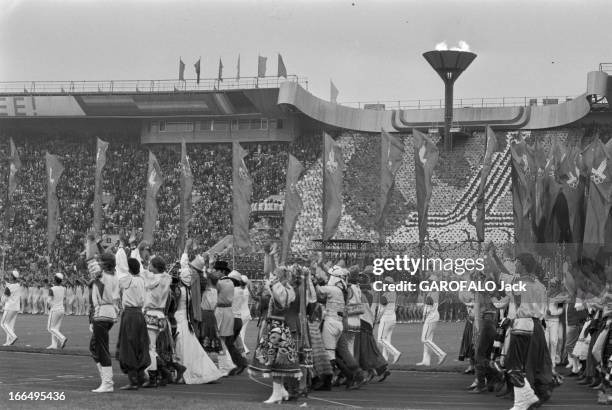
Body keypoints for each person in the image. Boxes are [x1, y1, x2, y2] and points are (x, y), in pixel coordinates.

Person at [505, 253, 553, 410]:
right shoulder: (540, 284)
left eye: (517, 262)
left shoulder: (518, 283)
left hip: (523, 324)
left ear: (524, 265)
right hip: (537, 325)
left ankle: (524, 399)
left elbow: (517, 305)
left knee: (516, 364)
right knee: (534, 362)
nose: (515, 265)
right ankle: (534, 394)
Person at [249, 266, 302, 403]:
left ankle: (277, 393)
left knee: (275, 363)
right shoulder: (288, 289)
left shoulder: (283, 290)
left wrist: (273, 283)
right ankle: (281, 391)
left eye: (276, 274)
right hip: (280, 327)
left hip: (276, 329)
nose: (273, 276)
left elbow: (279, 297)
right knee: (278, 361)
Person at [173, 261, 222, 384]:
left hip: (179, 317)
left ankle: (181, 371)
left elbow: (174, 305)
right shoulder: (189, 290)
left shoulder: (180, 290)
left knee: (180, 345)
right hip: (186, 318)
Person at [88, 251, 120, 393]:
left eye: (100, 261)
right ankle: (105, 379)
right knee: (95, 347)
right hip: (109, 313)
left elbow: (91, 262)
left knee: (101, 348)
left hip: (102, 314)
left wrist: (91, 245)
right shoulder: (114, 275)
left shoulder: (102, 275)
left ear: (104, 264)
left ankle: (107, 382)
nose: (98, 262)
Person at [117, 258, 151, 390]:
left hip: (130, 314)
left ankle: (133, 379)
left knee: (128, 346)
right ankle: (141, 376)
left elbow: (117, 270)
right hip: (139, 314)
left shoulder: (127, 279)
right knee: (140, 344)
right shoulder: (141, 280)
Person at [141, 255, 172, 388]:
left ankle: (153, 377)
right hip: (160, 314)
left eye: (151, 264)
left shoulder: (154, 279)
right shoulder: (166, 278)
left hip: (152, 313)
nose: (149, 265)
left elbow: (144, 277)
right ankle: (164, 371)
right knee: (153, 347)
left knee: (151, 348)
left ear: (155, 267)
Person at [214, 261, 248, 376]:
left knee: (224, 342)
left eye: (217, 270)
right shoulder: (239, 289)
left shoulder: (223, 283)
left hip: (227, 315)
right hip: (235, 317)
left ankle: (229, 365)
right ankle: (236, 362)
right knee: (229, 343)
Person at [416, 275, 447, 366]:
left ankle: (441, 354)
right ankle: (426, 360)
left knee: (424, 339)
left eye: (430, 281)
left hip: (431, 317)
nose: (428, 283)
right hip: (434, 316)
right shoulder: (434, 292)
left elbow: (428, 308)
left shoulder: (432, 293)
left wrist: (423, 317)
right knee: (428, 339)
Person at [377, 277, 401, 364]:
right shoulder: (394, 293)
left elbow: (381, 310)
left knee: (380, 339)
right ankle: (385, 359)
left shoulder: (385, 295)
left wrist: (377, 319)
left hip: (386, 318)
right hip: (393, 318)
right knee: (387, 340)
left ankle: (395, 353)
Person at [47, 273, 68, 349]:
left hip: (54, 309)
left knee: (50, 328)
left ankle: (62, 338)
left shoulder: (52, 289)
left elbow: (49, 301)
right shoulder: (63, 288)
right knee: (56, 328)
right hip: (61, 309)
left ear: (55, 279)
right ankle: (54, 345)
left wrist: (48, 307)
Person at [1, 270, 21, 346]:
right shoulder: (18, 285)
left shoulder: (9, 287)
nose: (9, 276)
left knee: (3, 323)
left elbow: (4, 298)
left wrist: (1, 304)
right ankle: (8, 342)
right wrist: (5, 284)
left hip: (9, 307)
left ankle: (13, 336)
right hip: (16, 308)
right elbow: (11, 286)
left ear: (12, 277)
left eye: (10, 275)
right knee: (10, 325)